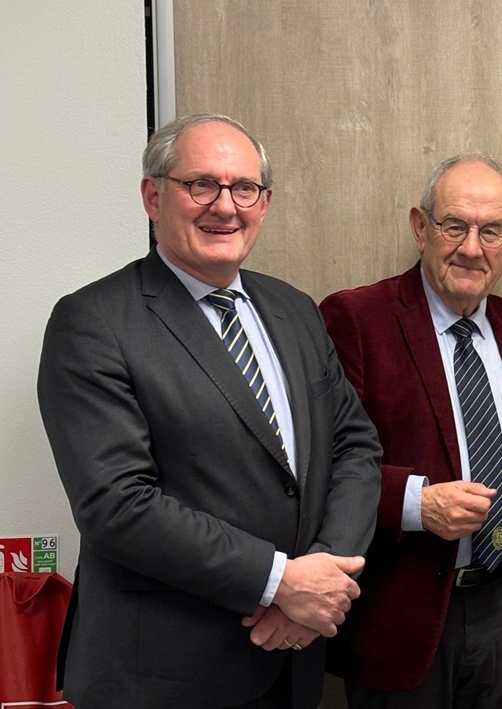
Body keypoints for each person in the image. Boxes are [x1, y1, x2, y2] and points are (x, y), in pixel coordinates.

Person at [37, 114, 383, 709]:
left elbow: (355, 447)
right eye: (201, 185)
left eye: (244, 188)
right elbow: (116, 503)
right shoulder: (92, 322)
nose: (225, 206)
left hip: (291, 658)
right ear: (153, 196)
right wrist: (279, 582)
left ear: (264, 203)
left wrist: (323, 573)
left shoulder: (295, 310)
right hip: (164, 676)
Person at [320, 152, 502, 708]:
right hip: (403, 611)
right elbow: (322, 466)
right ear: (420, 227)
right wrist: (415, 503)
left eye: (491, 231)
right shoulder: (356, 319)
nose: (472, 248)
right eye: (454, 225)